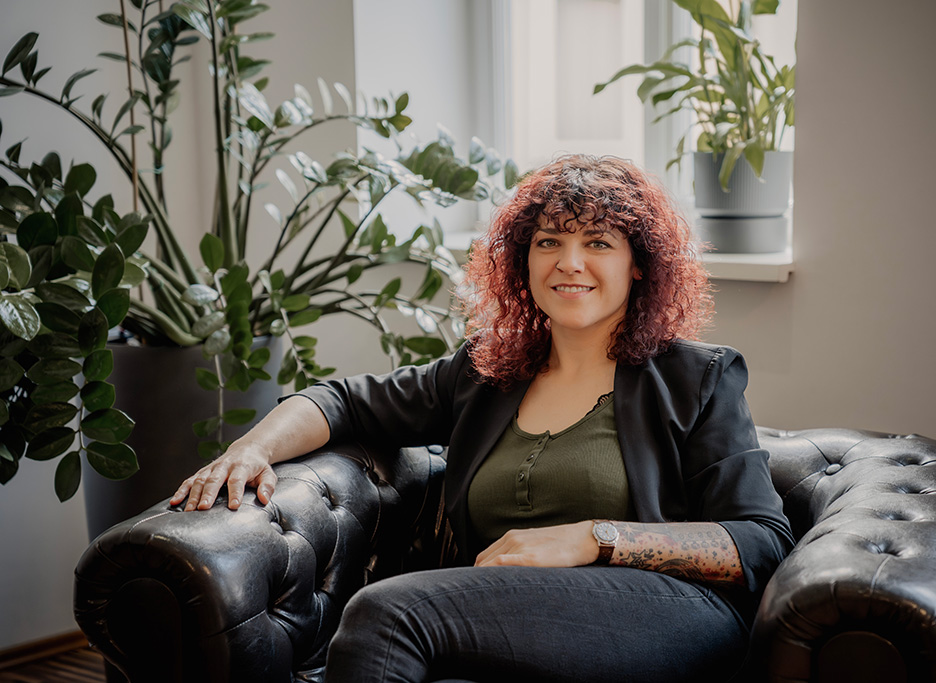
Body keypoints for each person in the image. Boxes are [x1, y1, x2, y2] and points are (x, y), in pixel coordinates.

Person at [171, 154, 794, 682]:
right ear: (524, 261)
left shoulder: (697, 377)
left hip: (668, 613)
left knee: (386, 615)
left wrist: (592, 538)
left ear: (639, 263)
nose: (569, 262)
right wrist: (251, 449)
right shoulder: (485, 374)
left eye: (598, 243)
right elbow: (342, 401)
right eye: (549, 242)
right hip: (514, 617)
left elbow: (760, 541)